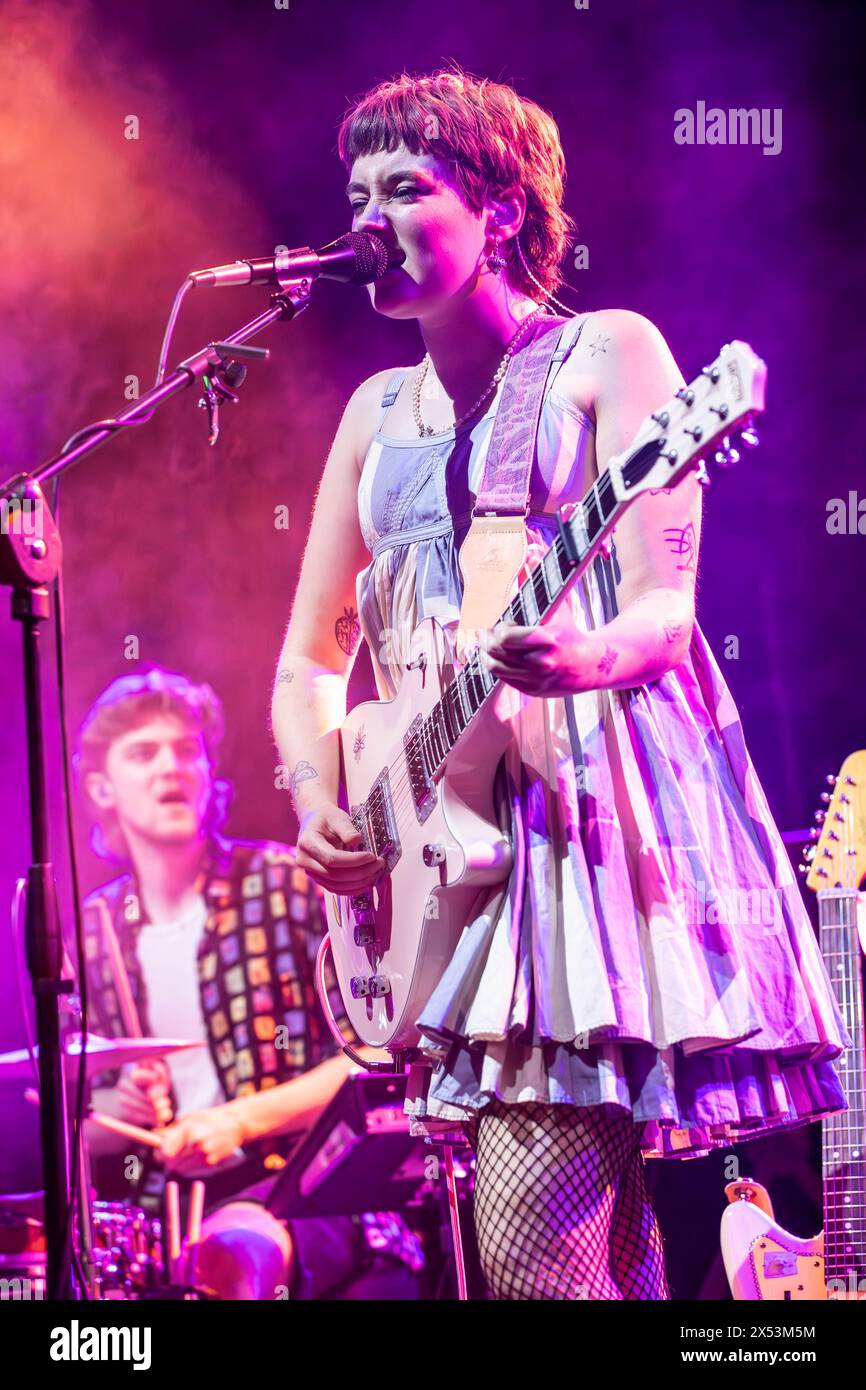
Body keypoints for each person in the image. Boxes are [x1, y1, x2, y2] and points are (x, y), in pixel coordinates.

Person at [269, 64, 852, 1301]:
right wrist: (322, 792)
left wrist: (576, 656)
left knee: (541, 1265)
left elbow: (661, 608)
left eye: (408, 186)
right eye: (356, 189)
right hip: (428, 842)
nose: (369, 215)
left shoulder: (608, 351)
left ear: (501, 211)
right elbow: (309, 659)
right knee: (592, 1266)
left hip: (569, 826)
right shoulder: (373, 412)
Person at [75, 666, 424, 1300]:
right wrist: (105, 1115)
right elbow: (63, 1123)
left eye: (187, 751)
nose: (170, 768)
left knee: (233, 1257)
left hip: (308, 1193)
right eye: (143, 753)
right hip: (159, 1215)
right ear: (101, 785)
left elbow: (376, 1056)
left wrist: (239, 1122)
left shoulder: (285, 882)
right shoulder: (89, 934)